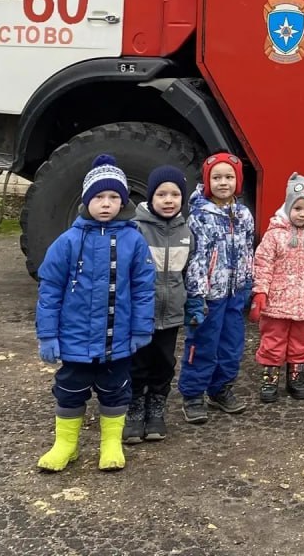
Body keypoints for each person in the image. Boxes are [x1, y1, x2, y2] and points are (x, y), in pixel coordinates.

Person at [35, 155, 155, 472]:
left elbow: (144, 288)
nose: (106, 204)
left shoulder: (134, 240)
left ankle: (111, 443)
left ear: (123, 202)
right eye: (99, 197)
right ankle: (66, 445)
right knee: (69, 392)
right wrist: (47, 334)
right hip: (74, 342)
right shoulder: (67, 242)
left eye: (114, 197)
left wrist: (142, 329)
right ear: (87, 200)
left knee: (115, 391)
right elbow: (49, 289)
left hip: (117, 341)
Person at [179, 152, 255, 424]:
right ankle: (193, 393)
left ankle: (220, 388)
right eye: (217, 177)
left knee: (232, 344)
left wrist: (249, 283)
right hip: (209, 296)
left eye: (229, 177)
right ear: (208, 182)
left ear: (238, 181)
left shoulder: (244, 214)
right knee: (202, 344)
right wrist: (196, 296)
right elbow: (197, 259)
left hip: (235, 293)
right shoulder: (200, 216)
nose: (224, 182)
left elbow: (248, 250)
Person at [250, 173, 304, 402]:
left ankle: (295, 377)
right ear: (288, 206)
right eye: (297, 208)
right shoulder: (275, 236)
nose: (302, 214)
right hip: (277, 302)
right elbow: (263, 265)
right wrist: (260, 293)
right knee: (273, 339)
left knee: (302, 341)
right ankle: (270, 379)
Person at [124, 165, 193, 444]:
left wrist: (193, 303)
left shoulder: (186, 231)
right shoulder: (136, 229)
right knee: (137, 363)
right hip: (141, 314)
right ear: (150, 197)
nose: (168, 200)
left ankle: (156, 409)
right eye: (161, 194)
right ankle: (134, 409)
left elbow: (190, 272)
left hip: (172, 314)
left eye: (175, 194)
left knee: (164, 363)